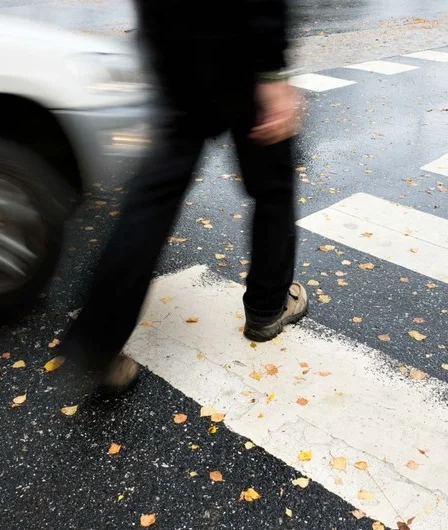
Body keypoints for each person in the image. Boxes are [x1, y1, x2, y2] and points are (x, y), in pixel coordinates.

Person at [60, 0, 306, 392]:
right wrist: (272, 70)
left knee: (154, 195)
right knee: (273, 183)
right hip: (239, 44)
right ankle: (267, 307)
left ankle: (97, 342)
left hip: (172, 42)